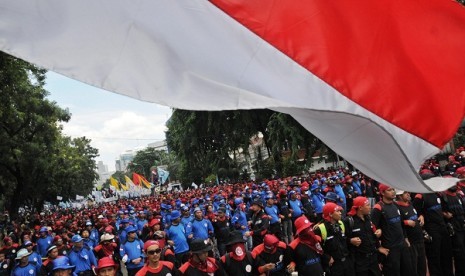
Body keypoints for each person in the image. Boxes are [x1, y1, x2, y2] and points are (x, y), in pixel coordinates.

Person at [371, 184, 414, 276]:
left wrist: (405, 238)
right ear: (382, 193)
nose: (393, 192)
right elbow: (372, 229)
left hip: (402, 244)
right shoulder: (378, 208)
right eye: (389, 190)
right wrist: (378, 247)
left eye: (393, 189)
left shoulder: (395, 204)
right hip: (390, 248)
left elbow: (401, 223)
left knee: (408, 270)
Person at [314, 202, 354, 276]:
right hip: (333, 266)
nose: (340, 213)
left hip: (347, 263)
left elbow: (344, 240)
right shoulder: (319, 229)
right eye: (337, 211)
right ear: (330, 214)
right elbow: (316, 248)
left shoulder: (341, 224)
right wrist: (326, 258)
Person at [345, 196, 381, 276]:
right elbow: (342, 239)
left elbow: (373, 234)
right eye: (367, 205)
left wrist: (378, 232)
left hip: (373, 258)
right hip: (359, 261)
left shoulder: (368, 218)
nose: (370, 207)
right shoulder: (349, 221)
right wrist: (350, 240)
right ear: (360, 208)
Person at [395, 190, 426, 276]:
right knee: (412, 268)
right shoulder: (396, 207)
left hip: (419, 240)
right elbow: (396, 223)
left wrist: (421, 216)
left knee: (422, 266)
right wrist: (406, 222)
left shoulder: (410, 204)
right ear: (400, 196)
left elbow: (418, 214)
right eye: (405, 193)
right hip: (410, 242)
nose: (408, 194)